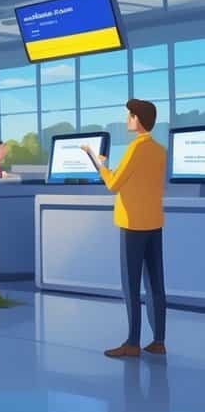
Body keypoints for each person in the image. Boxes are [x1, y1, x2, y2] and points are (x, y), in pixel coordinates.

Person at [83, 99, 168, 359]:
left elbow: (114, 183)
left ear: (138, 119)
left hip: (132, 224)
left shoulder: (135, 148)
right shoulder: (160, 150)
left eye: (129, 116)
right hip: (154, 222)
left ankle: (132, 342)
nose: (127, 120)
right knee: (156, 284)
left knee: (131, 285)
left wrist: (97, 162)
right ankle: (159, 341)